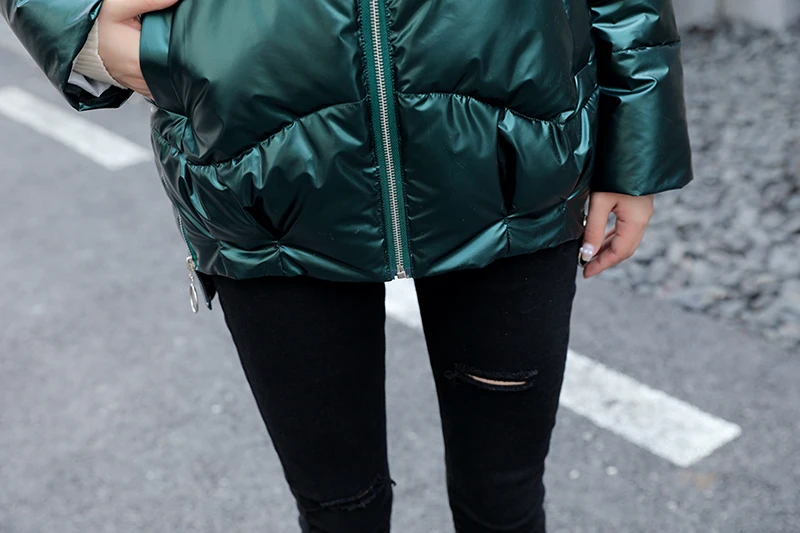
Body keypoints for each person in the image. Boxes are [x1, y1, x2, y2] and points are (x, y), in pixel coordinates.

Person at [2, 0, 693, 531]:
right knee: (339, 511)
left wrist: (638, 142)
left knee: (505, 499)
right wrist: (79, 30)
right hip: (252, 153)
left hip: (520, 136)